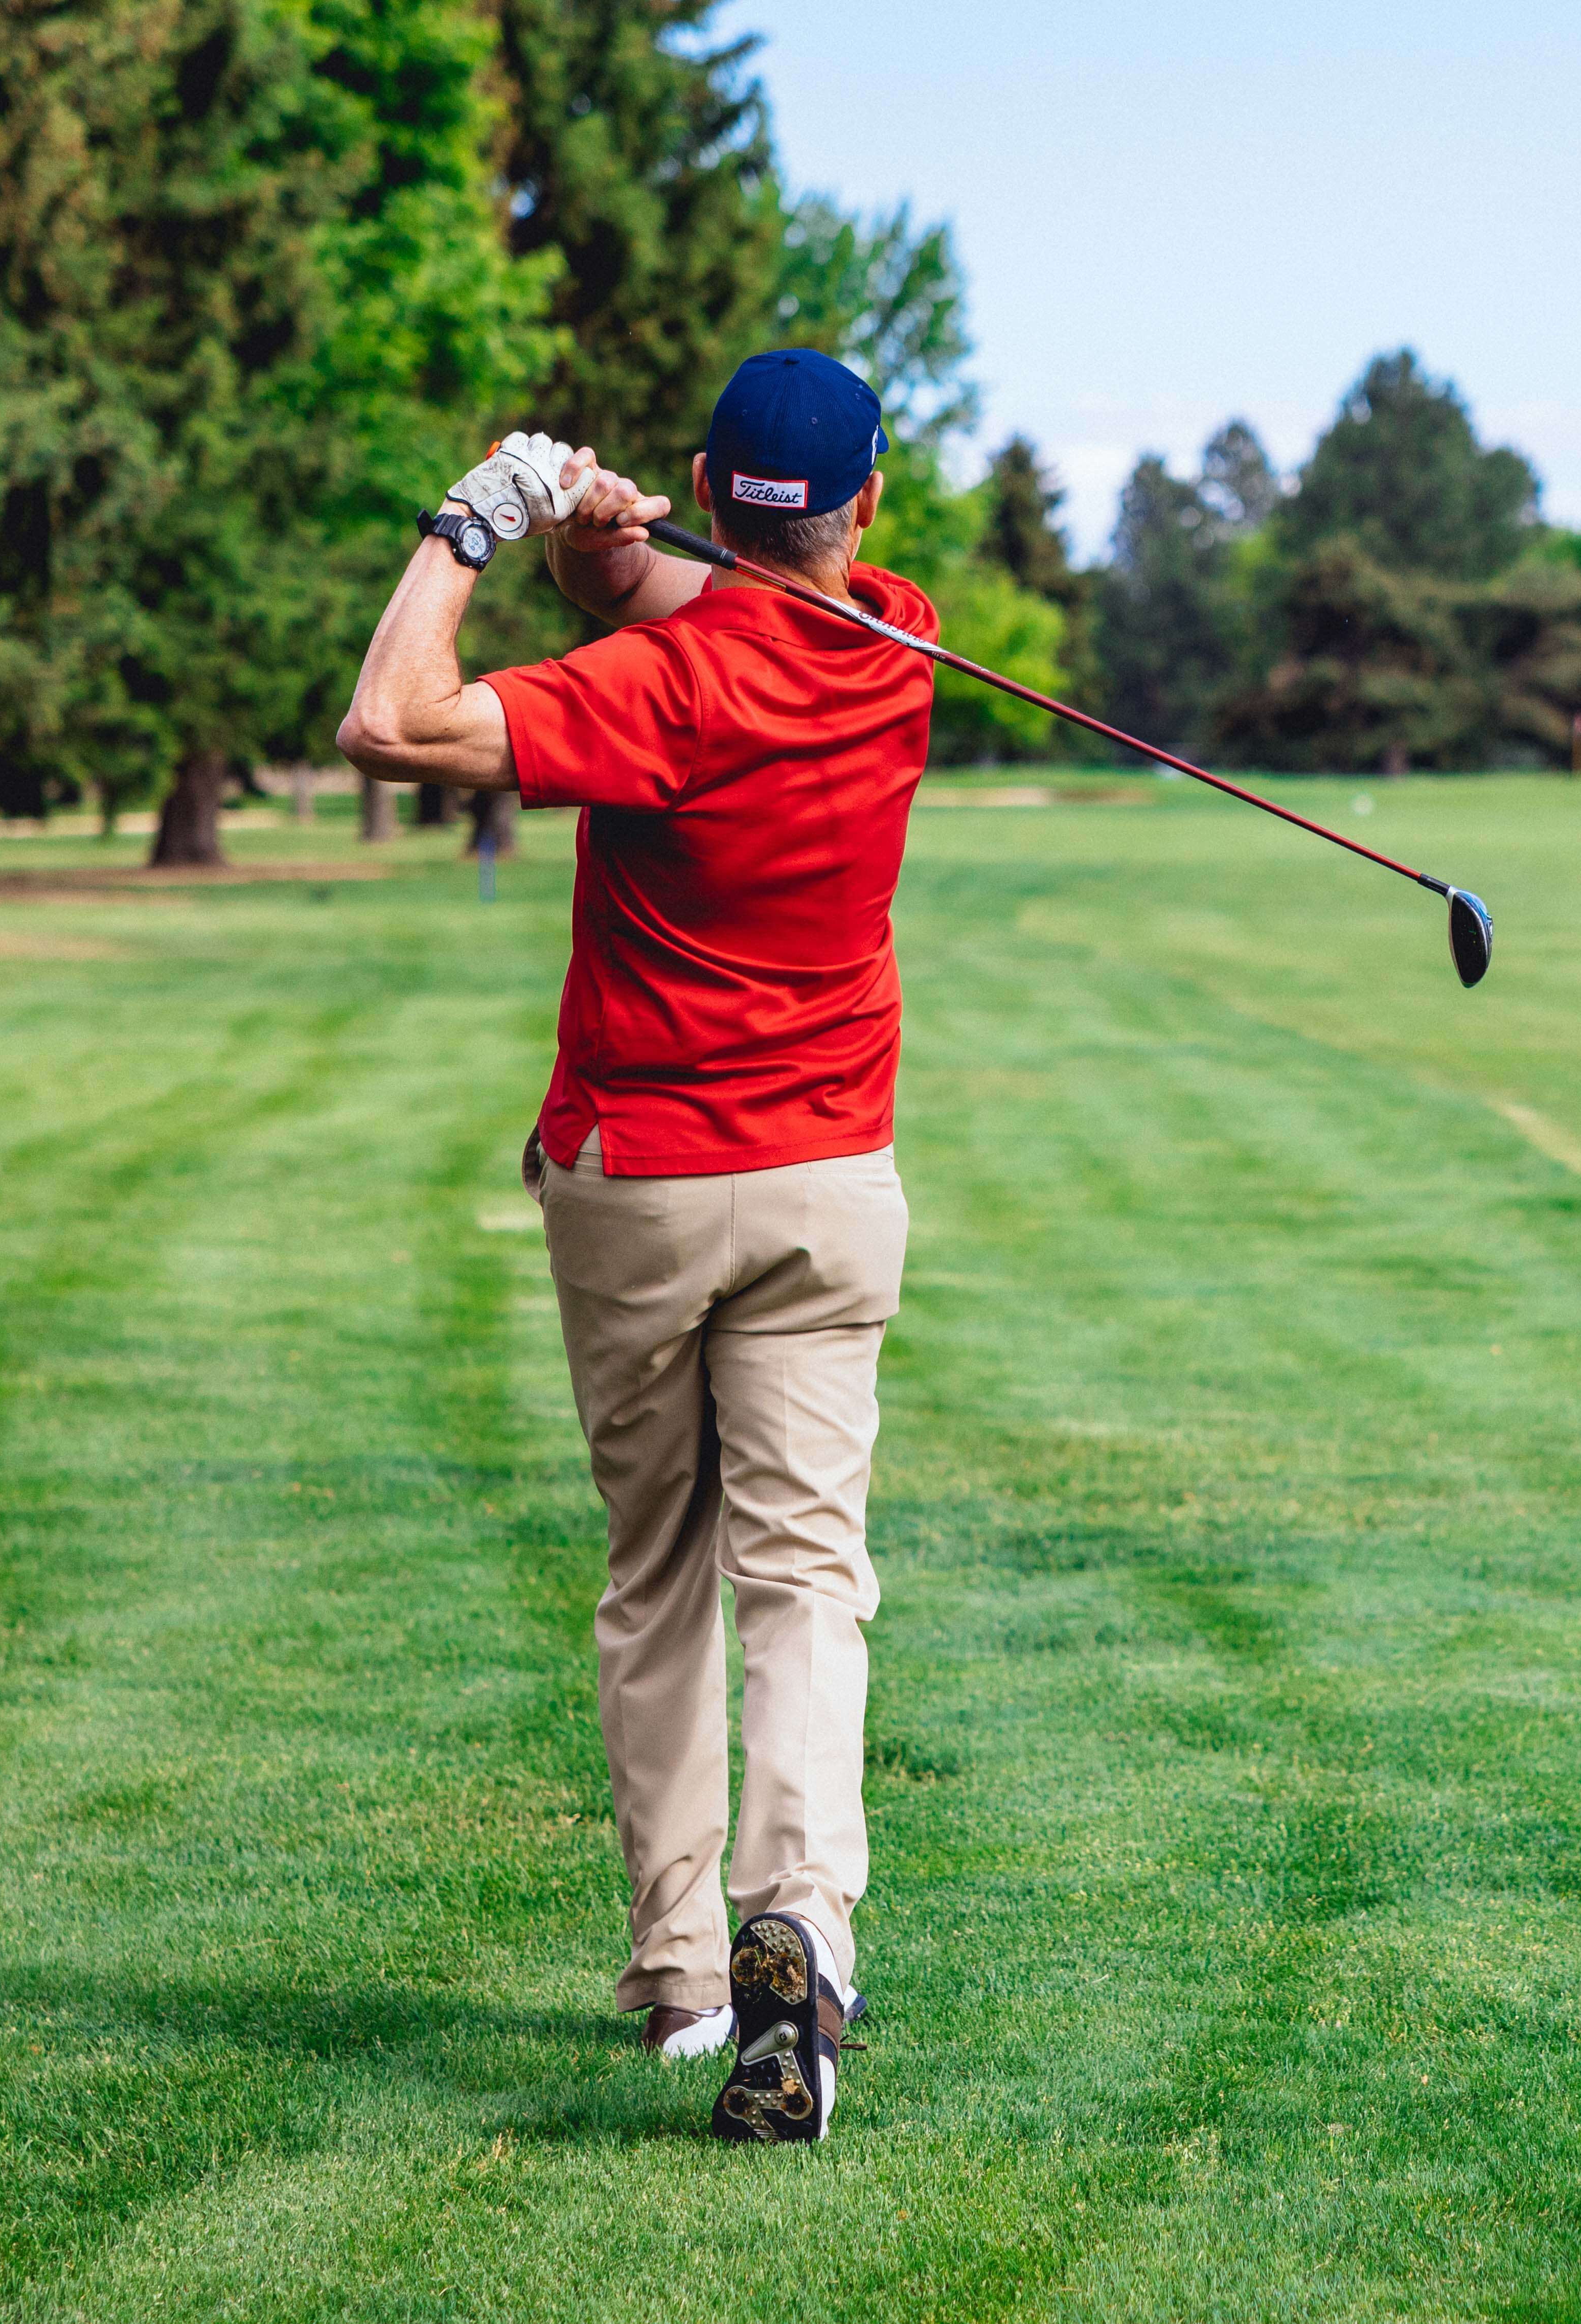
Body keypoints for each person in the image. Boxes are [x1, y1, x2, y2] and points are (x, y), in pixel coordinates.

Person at [336, 348, 936, 2146]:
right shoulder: (899, 645)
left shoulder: (662, 691)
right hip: (832, 1177)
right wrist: (598, 537)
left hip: (644, 1178)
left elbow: (393, 716)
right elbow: (691, 591)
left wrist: (475, 523)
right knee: (806, 1573)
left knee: (661, 1568)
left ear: (703, 474)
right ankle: (797, 1925)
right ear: (868, 511)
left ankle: (688, 1977)